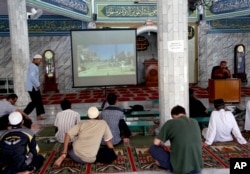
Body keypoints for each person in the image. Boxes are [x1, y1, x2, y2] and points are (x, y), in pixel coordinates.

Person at [149, 105, 203, 174]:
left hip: (180, 168)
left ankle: (167, 165)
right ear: (185, 114)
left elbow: (156, 142)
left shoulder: (171, 122)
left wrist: (161, 144)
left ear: (173, 116)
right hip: (197, 167)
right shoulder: (195, 122)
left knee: (153, 148)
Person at [23, 54, 46, 120]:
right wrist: (38, 84)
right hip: (32, 87)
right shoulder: (33, 67)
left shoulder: (34, 66)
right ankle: (24, 114)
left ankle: (38, 116)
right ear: (35, 59)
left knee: (38, 101)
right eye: (39, 60)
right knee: (34, 102)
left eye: (40, 60)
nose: (40, 62)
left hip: (34, 87)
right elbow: (32, 77)